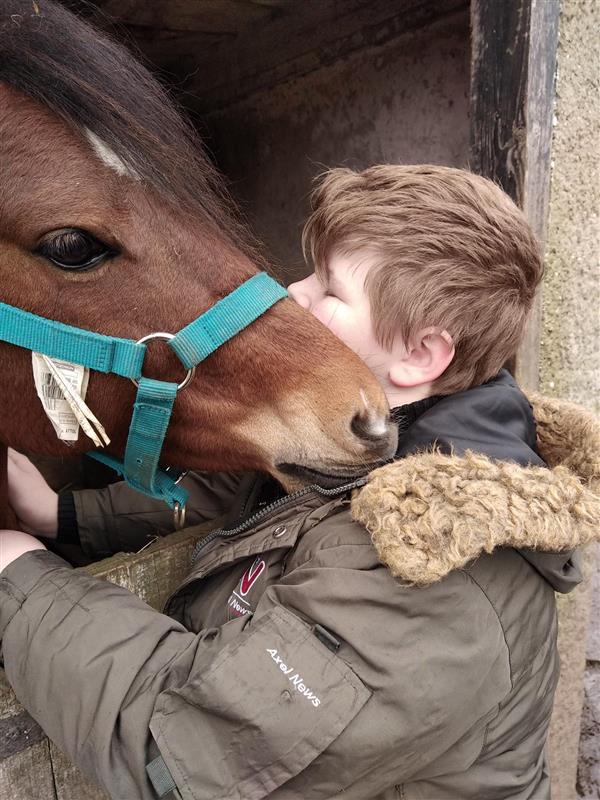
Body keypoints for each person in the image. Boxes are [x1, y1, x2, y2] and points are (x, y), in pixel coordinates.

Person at [2, 165, 598, 800]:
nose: (294, 292)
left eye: (331, 291)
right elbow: (245, 499)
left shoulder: (434, 581)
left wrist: (21, 576)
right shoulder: (392, 440)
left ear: (421, 355)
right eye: (310, 272)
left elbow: (182, 759)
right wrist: (62, 516)